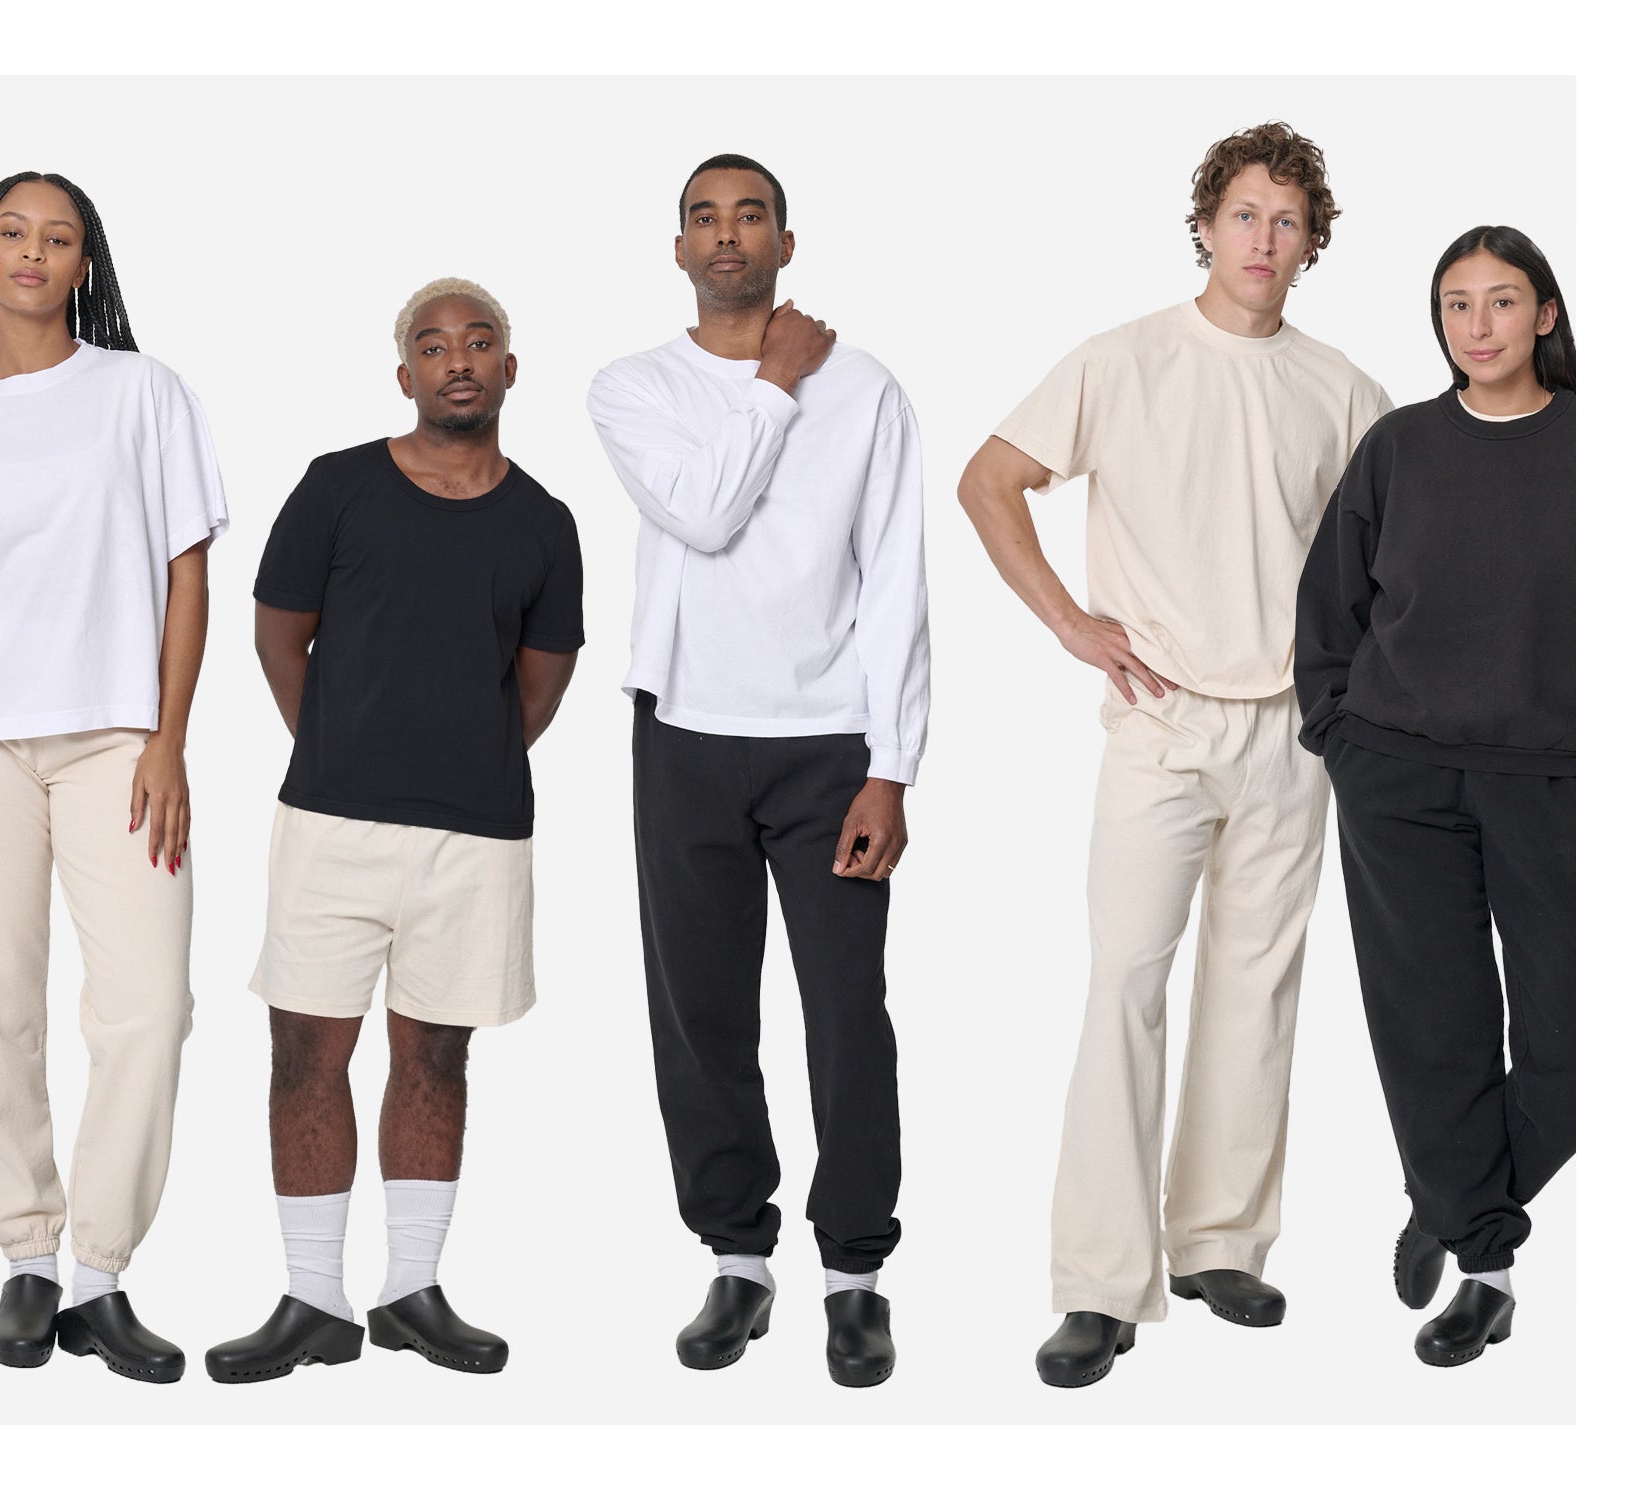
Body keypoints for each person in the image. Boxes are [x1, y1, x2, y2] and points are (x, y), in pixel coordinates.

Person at [955, 123, 1395, 1388]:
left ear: (1311, 245)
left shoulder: (1343, 390)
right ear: (1204, 224)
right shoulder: (1122, 358)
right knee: (1123, 986)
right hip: (1158, 718)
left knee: (1258, 990)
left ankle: (1217, 1243)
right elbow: (989, 480)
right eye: (1244, 214)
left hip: (1290, 725)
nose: (1264, 238)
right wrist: (1068, 622)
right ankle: (1099, 1282)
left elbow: (1389, 553)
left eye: (1288, 221)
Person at [0, 170, 225, 1383]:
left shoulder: (142, 392)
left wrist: (169, 738)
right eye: (12, 232)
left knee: (148, 1004)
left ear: (85, 262)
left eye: (57, 236)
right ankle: (26, 1255)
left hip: (115, 736)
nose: (32, 252)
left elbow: (187, 574)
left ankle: (101, 1273)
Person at [588, 153, 929, 1388]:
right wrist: (775, 384)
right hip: (683, 733)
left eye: (749, 215)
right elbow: (703, 511)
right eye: (703, 217)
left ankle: (854, 1276)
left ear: (787, 241)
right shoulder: (632, 387)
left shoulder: (870, 390)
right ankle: (737, 1258)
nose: (725, 234)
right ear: (678, 247)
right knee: (702, 1015)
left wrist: (892, 765)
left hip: (829, 745)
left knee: (846, 1013)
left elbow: (895, 582)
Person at [204, 278, 582, 1385]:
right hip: (331, 823)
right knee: (303, 1054)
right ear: (405, 373)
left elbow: (539, 687)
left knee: (437, 1056)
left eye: (479, 341)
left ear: (508, 368)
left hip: (475, 837)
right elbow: (278, 640)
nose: (457, 359)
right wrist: (344, 744)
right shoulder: (337, 487)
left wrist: (455, 756)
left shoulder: (544, 523)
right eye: (433, 344)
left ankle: (411, 1290)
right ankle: (312, 1298)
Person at [1296, 225, 1573, 1369]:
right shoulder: (1399, 445)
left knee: (1575, 1030)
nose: (1477, 324)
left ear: (1544, 315)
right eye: (1456, 303)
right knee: (1431, 1023)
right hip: (1398, 773)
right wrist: (1337, 733)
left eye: (1501, 301)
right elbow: (1330, 601)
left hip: (1555, 778)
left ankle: (1452, 1194)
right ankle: (1484, 1268)